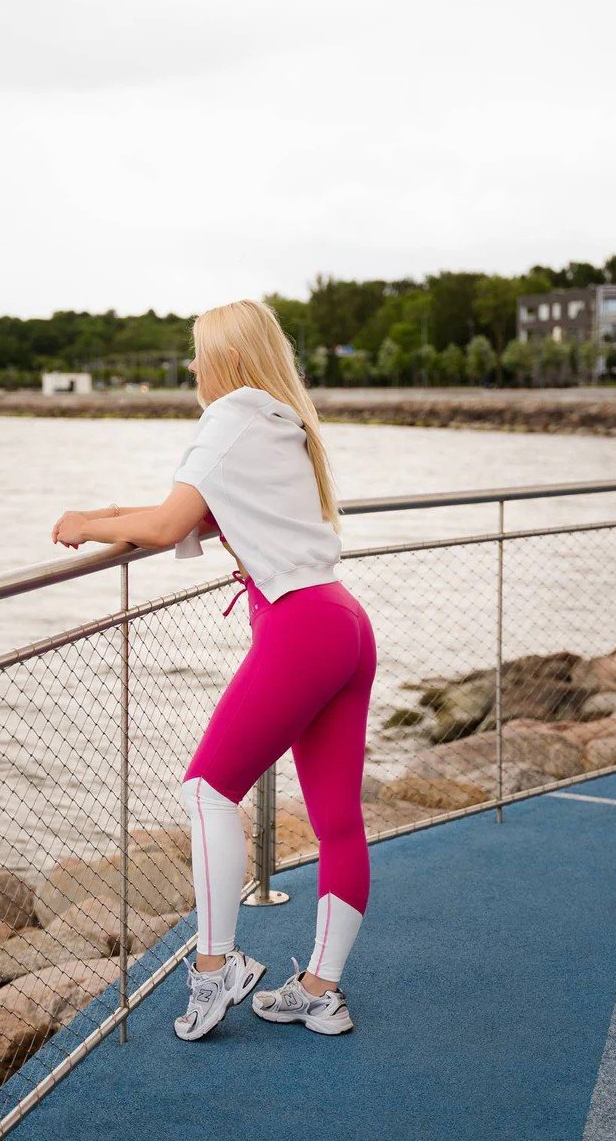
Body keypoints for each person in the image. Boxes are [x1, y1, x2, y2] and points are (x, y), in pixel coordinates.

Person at [52, 298, 377, 1042]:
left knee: (207, 790)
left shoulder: (229, 415)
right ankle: (321, 992)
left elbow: (169, 524)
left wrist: (86, 525)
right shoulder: (279, 420)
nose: (193, 366)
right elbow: (193, 510)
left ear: (227, 359)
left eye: (199, 352)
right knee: (338, 823)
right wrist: (109, 513)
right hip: (343, 620)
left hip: (301, 626)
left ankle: (216, 966)